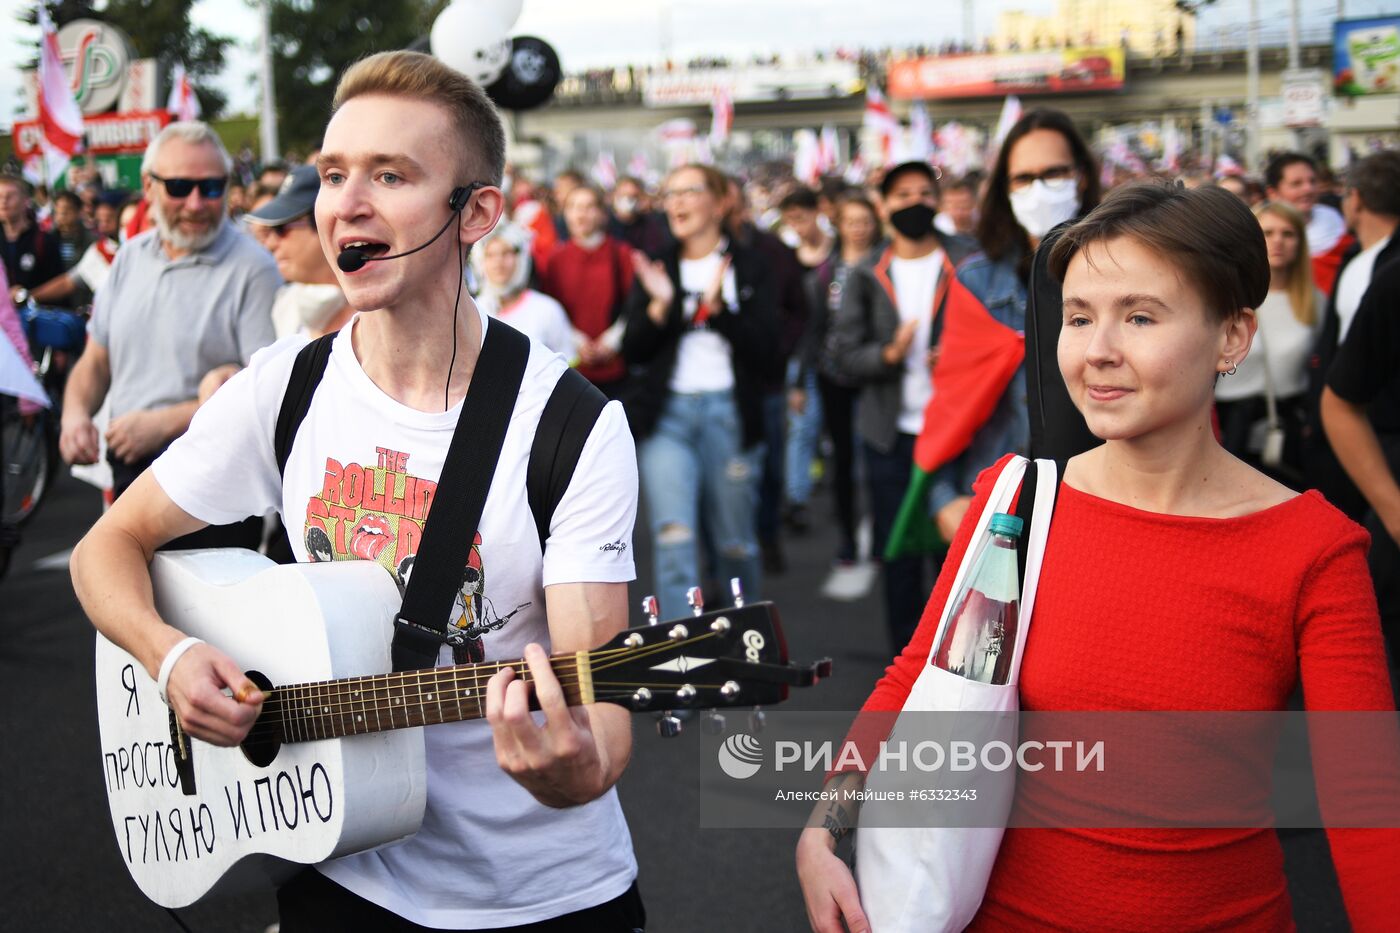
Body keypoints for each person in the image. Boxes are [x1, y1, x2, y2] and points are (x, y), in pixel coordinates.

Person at [70, 51, 645, 931]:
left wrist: (575, 768)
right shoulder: (287, 388)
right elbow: (104, 546)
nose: (348, 201)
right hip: (337, 867)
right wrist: (171, 655)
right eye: (334, 174)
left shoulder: (570, 427)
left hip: (538, 897)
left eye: (391, 174)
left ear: (476, 212)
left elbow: (599, 715)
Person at [798, 180, 1399, 933]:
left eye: (1140, 316)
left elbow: (1366, 800)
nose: (1099, 350)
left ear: (1233, 337)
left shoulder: (1313, 548)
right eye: (1079, 317)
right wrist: (825, 823)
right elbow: (921, 672)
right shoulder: (1014, 503)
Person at [58, 121, 281, 550]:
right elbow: (96, 358)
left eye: (211, 187)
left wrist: (161, 423)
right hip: (129, 467)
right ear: (148, 186)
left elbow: (263, 392)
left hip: (213, 485)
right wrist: (74, 416)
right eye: (179, 186)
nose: (196, 203)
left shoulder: (253, 268)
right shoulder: (129, 257)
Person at [924, 108, 1102, 543]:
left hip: (1101, 497)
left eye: (1054, 173)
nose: (1039, 189)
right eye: (1024, 178)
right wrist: (943, 496)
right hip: (999, 501)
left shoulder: (1124, 269)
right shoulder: (975, 280)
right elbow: (953, 401)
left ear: (1080, 177)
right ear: (1005, 189)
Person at [824, 159, 976, 649]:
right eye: (903, 194)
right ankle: (908, 666)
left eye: (924, 193)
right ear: (884, 205)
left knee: (964, 555)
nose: (916, 202)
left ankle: (965, 666)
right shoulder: (867, 272)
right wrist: (888, 354)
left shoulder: (970, 261)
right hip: (890, 434)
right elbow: (843, 354)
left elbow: (1003, 337)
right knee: (900, 555)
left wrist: (958, 354)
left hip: (961, 430)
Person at [622, 162, 782, 621]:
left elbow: (770, 355)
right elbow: (634, 349)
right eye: (670, 193)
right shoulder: (657, 265)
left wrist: (721, 312)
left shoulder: (752, 266)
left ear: (720, 200)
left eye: (689, 190)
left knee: (735, 543)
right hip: (666, 418)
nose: (677, 202)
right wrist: (660, 307)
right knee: (673, 538)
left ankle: (745, 639)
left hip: (730, 413)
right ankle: (683, 655)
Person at [1305, 151, 1400, 520]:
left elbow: (1348, 377)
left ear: (1356, 198)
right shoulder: (1364, 262)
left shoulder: (1372, 269)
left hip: (1374, 445)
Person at [808, 192, 883, 600]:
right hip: (833, 376)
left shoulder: (886, 265)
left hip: (877, 376)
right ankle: (848, 541)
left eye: (865, 220)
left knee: (878, 457)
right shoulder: (827, 270)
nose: (859, 227)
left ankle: (882, 536)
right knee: (842, 460)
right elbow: (816, 326)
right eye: (851, 220)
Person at [1214, 201, 1323, 479]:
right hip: (1227, 423)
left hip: (1287, 429)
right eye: (1268, 232)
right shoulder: (1225, 299)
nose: (1278, 242)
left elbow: (1326, 368)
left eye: (1288, 234)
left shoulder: (1314, 302)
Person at [538, 184, 633, 397]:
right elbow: (552, 308)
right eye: (573, 207)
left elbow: (633, 305)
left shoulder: (621, 254)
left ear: (602, 213)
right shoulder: (556, 259)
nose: (580, 214)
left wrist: (612, 340)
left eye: (589, 207)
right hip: (572, 366)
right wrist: (576, 340)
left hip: (614, 367)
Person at [241, 164, 354, 342]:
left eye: (281, 229)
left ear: (324, 222)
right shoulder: (285, 304)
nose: (270, 244)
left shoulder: (380, 304)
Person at [778, 186, 835, 536]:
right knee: (801, 427)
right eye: (791, 220)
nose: (798, 227)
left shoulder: (839, 252)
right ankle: (796, 498)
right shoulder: (787, 258)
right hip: (802, 354)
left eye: (802, 217)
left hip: (837, 354)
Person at [472, 219, 578, 358]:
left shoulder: (548, 310)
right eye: (490, 255)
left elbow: (569, 366)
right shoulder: (473, 312)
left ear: (521, 257)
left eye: (506, 253)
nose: (498, 262)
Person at [1266, 152, 1353, 296]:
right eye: (1296, 184)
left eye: (1312, 181)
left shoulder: (1339, 227)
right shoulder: (1255, 232)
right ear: (1273, 193)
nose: (1308, 189)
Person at [0, 174, 72, 308]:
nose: (4, 201)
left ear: (25, 201)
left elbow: (62, 285)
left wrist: (25, 296)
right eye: (0, 196)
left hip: (36, 319)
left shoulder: (44, 240)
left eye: (10, 196)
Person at [607, 175, 672, 259]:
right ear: (614, 196)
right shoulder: (604, 226)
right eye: (622, 195)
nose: (627, 200)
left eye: (632, 197)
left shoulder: (651, 226)